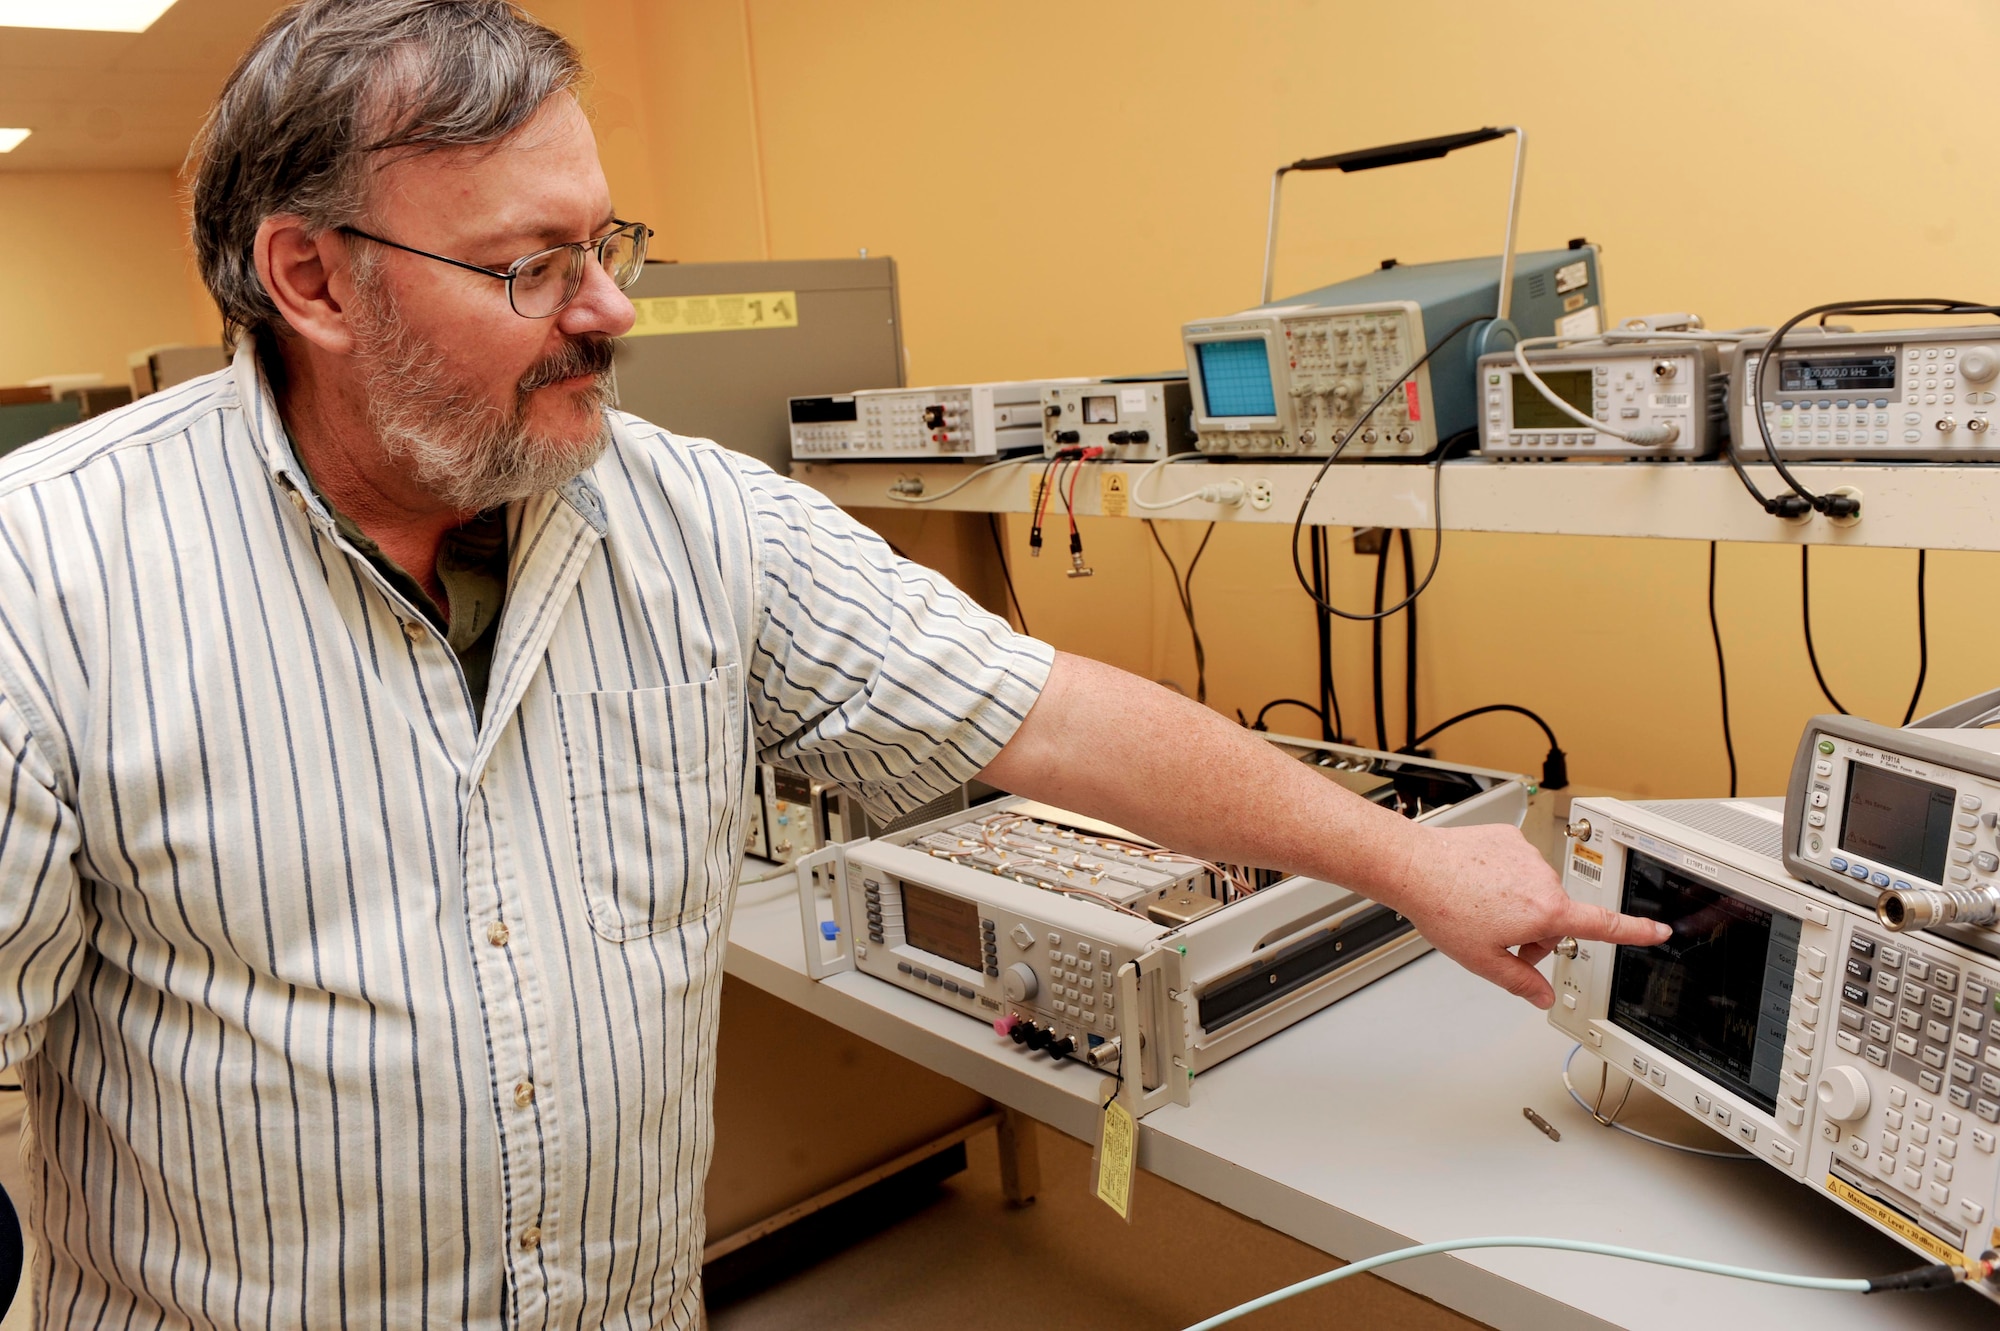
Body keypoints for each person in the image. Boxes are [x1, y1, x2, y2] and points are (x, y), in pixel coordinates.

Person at [0, 1, 1667, 1324]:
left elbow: (1045, 713)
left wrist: (1409, 864)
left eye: (609, 243)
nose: (610, 312)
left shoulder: (689, 518)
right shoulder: (47, 577)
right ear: (311, 279)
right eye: (530, 268)